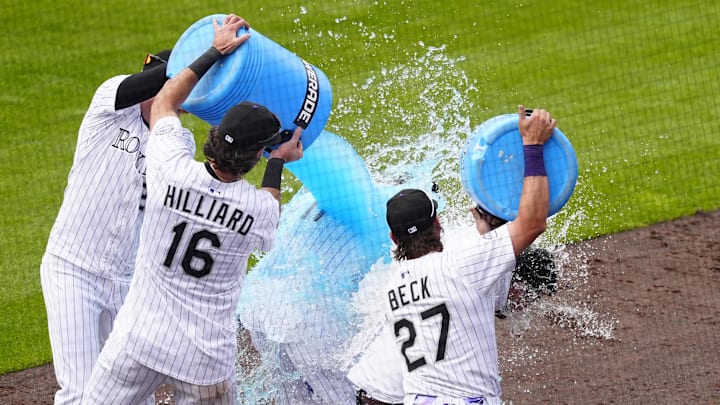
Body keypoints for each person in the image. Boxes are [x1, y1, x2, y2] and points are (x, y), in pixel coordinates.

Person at [81, 14, 304, 405]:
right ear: (255, 155)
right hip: (204, 360)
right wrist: (278, 160)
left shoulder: (169, 167)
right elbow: (270, 203)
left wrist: (213, 52)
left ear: (215, 134)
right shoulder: (256, 210)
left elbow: (166, 100)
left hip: (139, 338)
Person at [379, 106, 557, 405]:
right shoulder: (460, 266)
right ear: (438, 223)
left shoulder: (388, 287)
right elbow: (533, 222)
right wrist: (533, 146)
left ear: (393, 238)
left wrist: (488, 235)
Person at [39, 44, 174, 405]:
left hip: (126, 283)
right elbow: (148, 82)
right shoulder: (110, 104)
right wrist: (204, 55)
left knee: (133, 396)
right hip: (72, 269)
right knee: (80, 392)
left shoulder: (175, 142)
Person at [348, 205, 559, 404]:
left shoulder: (423, 278)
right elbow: (529, 226)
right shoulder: (472, 277)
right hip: (389, 396)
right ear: (520, 286)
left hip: (373, 388)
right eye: (533, 297)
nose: (527, 306)